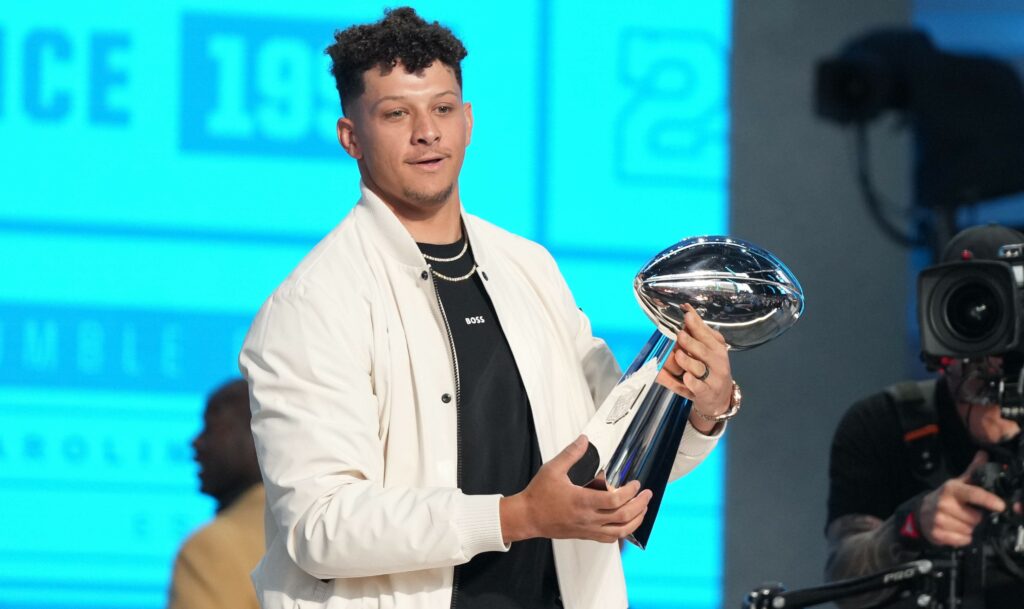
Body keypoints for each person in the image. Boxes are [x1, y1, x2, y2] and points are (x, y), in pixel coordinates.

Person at [239, 7, 739, 609]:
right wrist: (514, 516)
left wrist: (699, 412)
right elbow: (318, 527)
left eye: (443, 109)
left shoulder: (528, 267)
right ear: (351, 137)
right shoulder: (314, 304)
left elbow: (609, 455)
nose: (427, 132)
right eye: (397, 113)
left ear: (468, 120)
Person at [825, 224, 1024, 608]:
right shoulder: (883, 424)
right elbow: (843, 575)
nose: (993, 357)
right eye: (973, 316)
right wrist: (912, 526)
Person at [168, 378, 265, 609]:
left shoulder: (212, 549)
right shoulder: (338, 532)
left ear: (257, 434)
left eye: (210, 428)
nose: (196, 442)